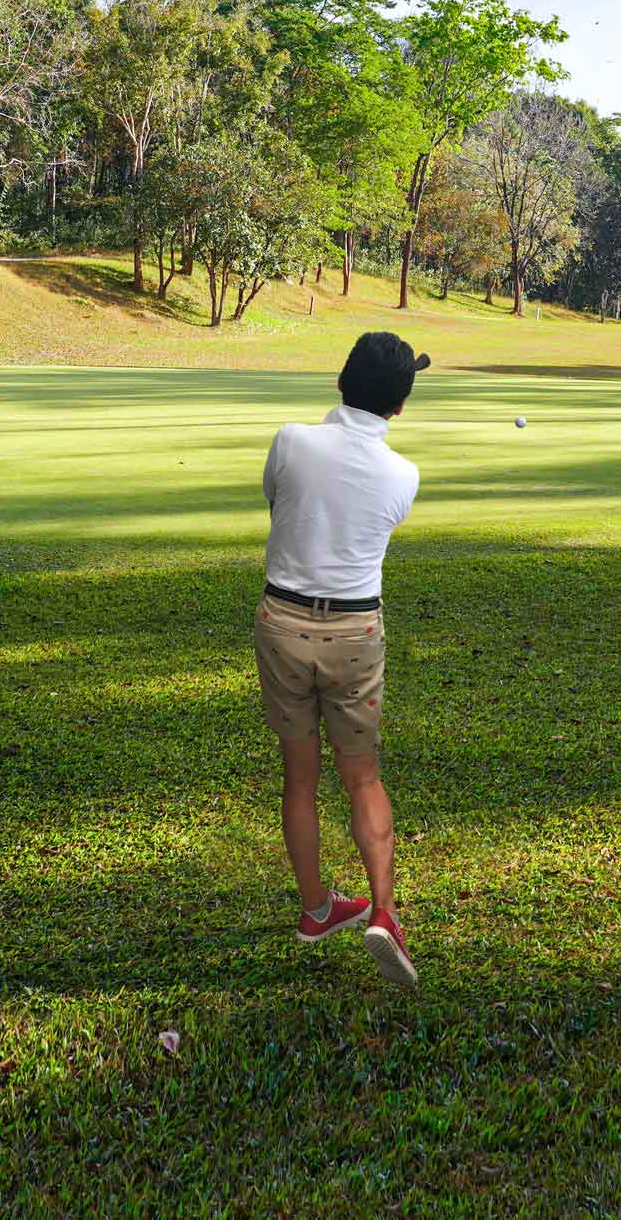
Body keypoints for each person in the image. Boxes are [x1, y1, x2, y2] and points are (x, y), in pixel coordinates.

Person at [255, 332, 429, 988]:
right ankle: (384, 912)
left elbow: (279, 502)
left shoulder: (290, 441)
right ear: (399, 407)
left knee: (299, 778)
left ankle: (317, 909)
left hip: (282, 622)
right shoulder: (403, 475)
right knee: (362, 777)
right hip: (355, 631)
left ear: (341, 381)